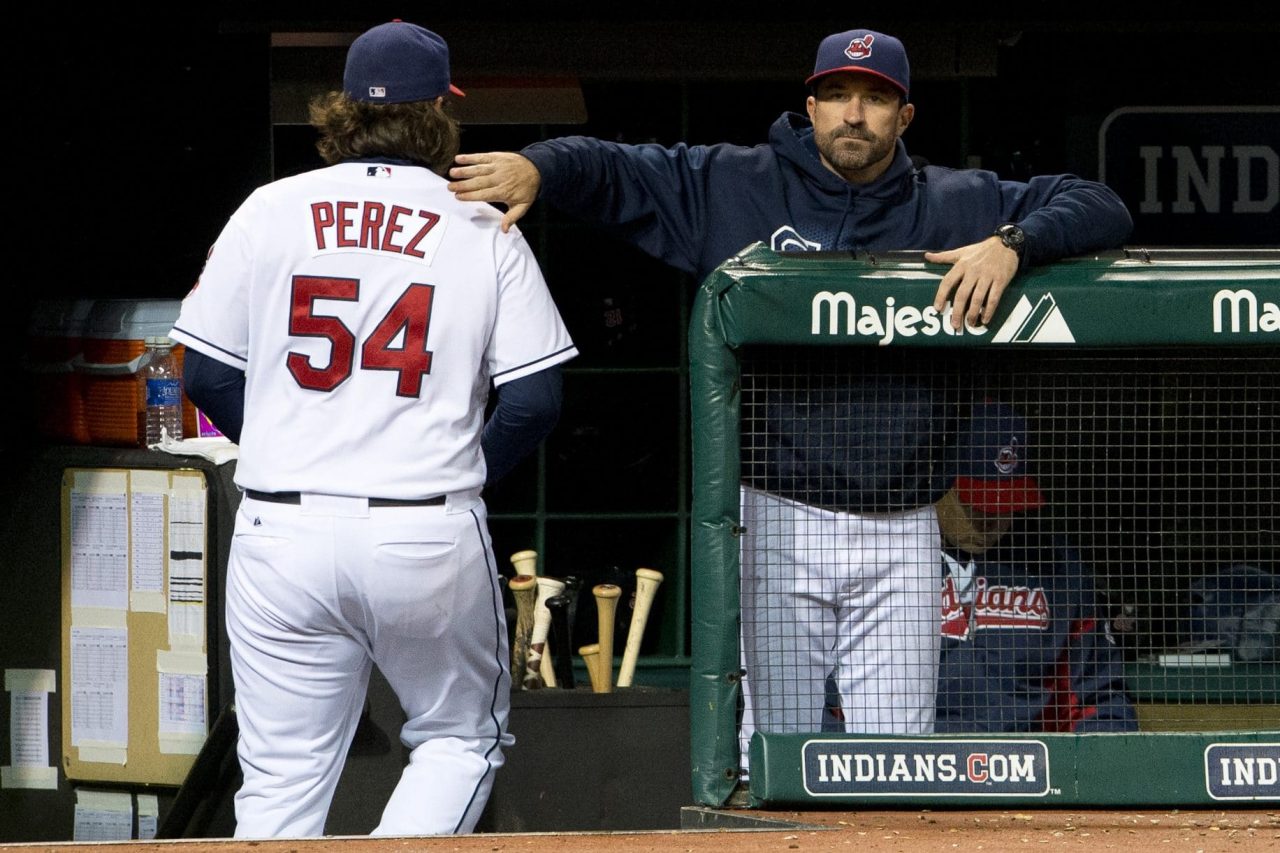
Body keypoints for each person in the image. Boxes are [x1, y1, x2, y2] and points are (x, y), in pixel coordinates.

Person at [448, 29, 1132, 741]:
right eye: (836, 95)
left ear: (904, 117)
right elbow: (613, 167)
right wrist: (538, 168)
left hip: (902, 527)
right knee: (771, 748)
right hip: (774, 513)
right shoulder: (734, 182)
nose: (854, 113)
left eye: (875, 98)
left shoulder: (958, 203)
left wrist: (1013, 243)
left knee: (895, 760)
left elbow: (1101, 203)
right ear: (811, 107)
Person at [170, 21, 577, 838]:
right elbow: (535, 401)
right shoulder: (479, 225)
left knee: (281, 775)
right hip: (422, 525)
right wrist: (453, 467)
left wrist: (295, 441)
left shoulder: (270, 208)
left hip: (279, 524)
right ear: (438, 114)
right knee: (461, 738)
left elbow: (207, 374)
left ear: (343, 110)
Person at [823, 401, 1138, 733]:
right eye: (975, 505)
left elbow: (1097, 697)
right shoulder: (867, 557)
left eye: (1008, 504)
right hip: (904, 765)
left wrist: (1085, 768)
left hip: (1027, 767)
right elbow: (816, 698)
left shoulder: (1055, 566)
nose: (991, 521)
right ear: (936, 482)